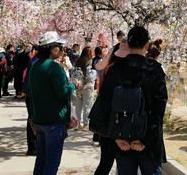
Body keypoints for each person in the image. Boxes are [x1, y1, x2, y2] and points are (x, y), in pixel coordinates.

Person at [92, 27, 167, 175]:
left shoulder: (115, 68)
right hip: (148, 141)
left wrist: (116, 137)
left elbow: (105, 103)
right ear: (147, 44)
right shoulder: (154, 69)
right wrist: (145, 140)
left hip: (122, 139)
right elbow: (160, 106)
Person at [26, 31, 77, 175]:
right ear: (52, 48)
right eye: (60, 47)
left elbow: (29, 92)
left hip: (40, 120)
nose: (62, 50)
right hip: (54, 121)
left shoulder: (34, 66)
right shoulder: (53, 67)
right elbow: (63, 93)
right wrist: (74, 85)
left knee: (41, 160)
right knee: (52, 163)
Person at [92, 42, 125, 174]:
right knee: (111, 161)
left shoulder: (107, 67)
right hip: (112, 119)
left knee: (106, 161)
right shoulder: (115, 70)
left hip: (104, 118)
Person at [71, 46, 97, 129]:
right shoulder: (90, 62)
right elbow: (91, 77)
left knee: (79, 106)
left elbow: (73, 73)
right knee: (87, 106)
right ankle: (85, 123)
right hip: (88, 87)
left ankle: (79, 123)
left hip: (79, 86)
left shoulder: (78, 61)